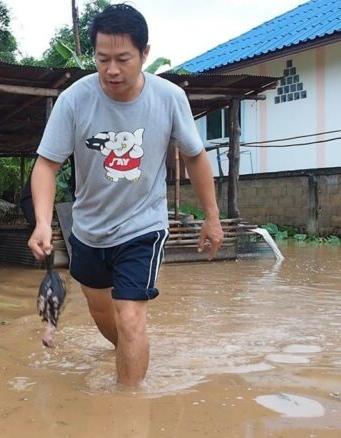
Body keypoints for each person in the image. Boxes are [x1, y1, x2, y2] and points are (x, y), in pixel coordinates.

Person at [27, 3, 223, 387]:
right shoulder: (74, 99)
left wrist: (211, 217)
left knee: (130, 317)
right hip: (88, 230)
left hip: (142, 226)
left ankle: (128, 412)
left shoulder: (168, 98)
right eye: (102, 59)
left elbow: (196, 156)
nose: (111, 70)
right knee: (105, 316)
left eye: (123, 59)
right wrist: (41, 222)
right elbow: (46, 165)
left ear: (145, 54)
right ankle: (133, 352)